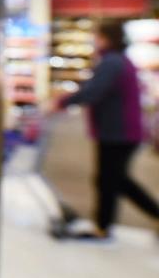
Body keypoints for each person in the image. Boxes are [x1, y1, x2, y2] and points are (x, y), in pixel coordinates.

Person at [53, 21, 159, 239]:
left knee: (112, 180)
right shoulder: (119, 60)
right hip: (121, 131)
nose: (94, 40)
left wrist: (61, 102)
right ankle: (104, 225)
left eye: (97, 36)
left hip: (118, 132)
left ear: (106, 38)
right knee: (113, 179)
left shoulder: (111, 62)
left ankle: (104, 227)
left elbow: (93, 91)